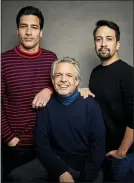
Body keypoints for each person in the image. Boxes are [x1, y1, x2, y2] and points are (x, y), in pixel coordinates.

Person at [1, 6, 57, 182]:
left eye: (34, 27)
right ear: (17, 30)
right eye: (23, 26)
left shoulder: (51, 58)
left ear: (41, 32)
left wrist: (49, 89)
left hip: (46, 144)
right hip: (16, 147)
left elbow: (63, 88)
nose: (28, 32)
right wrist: (9, 138)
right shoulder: (3, 61)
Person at [36, 57, 106, 182]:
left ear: (77, 80)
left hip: (86, 164)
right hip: (56, 162)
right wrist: (61, 172)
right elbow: (42, 145)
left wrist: (86, 178)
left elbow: (98, 146)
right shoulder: (45, 106)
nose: (63, 80)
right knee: (18, 176)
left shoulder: (91, 105)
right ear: (52, 80)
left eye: (69, 75)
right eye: (58, 75)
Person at [88, 20, 134, 181]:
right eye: (98, 39)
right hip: (103, 153)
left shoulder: (128, 74)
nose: (103, 44)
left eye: (109, 38)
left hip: (126, 156)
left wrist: (121, 152)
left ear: (118, 44)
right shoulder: (95, 73)